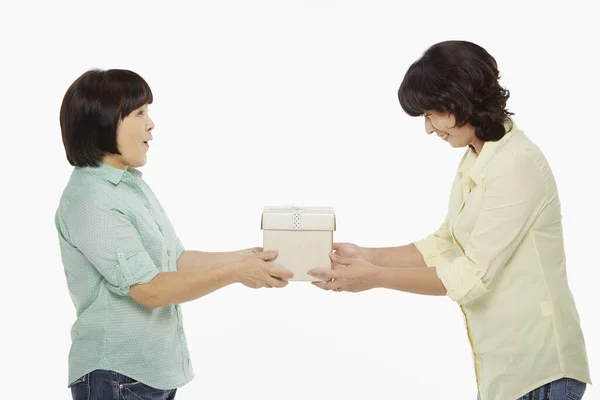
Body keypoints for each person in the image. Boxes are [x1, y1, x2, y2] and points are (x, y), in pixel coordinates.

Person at [308, 41, 591, 400]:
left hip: (539, 369)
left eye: (431, 114)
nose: (429, 129)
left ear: (461, 101)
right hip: (507, 369)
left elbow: (470, 277)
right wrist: (365, 255)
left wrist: (374, 278)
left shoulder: (515, 164)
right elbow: (446, 243)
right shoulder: (478, 157)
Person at [55, 69, 294, 400]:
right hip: (118, 377)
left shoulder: (129, 184)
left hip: (148, 376)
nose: (151, 125)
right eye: (140, 113)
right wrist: (237, 273)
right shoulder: (92, 199)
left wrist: (246, 257)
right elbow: (150, 290)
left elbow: (176, 260)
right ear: (105, 121)